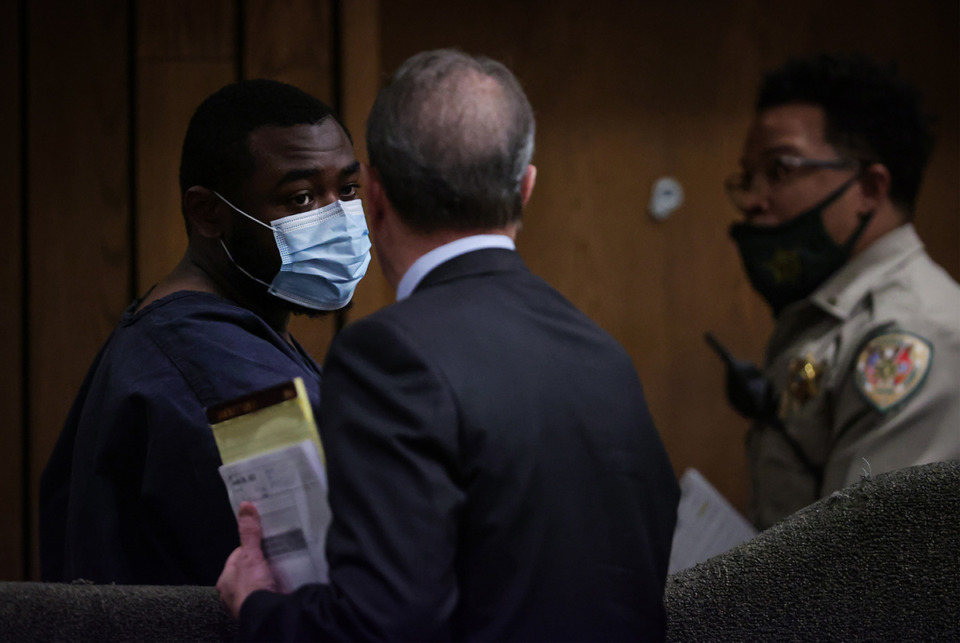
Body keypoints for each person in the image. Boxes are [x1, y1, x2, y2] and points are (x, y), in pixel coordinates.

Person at [217, 49, 680, 641]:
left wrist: (255, 603)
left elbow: (381, 626)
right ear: (528, 188)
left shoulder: (389, 356)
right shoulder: (604, 355)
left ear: (376, 197)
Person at [39, 79, 370, 585]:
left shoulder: (194, 338)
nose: (338, 219)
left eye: (347, 190)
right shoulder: (219, 374)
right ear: (208, 213)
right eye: (301, 198)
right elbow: (330, 588)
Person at [716, 53, 960, 530]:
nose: (753, 201)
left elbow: (868, 572)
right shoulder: (828, 319)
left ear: (870, 187)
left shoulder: (911, 332)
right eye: (748, 179)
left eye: (780, 169)